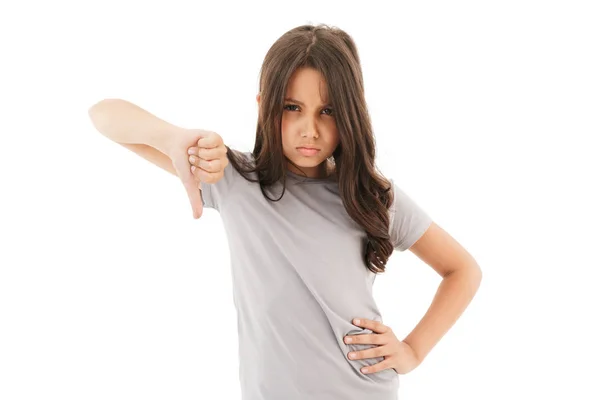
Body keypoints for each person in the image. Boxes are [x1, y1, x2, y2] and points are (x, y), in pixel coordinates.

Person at [88, 23, 482, 400]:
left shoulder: (372, 196)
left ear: (350, 115)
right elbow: (103, 114)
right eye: (292, 107)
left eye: (327, 111)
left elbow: (462, 270)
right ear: (264, 105)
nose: (309, 129)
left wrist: (412, 351)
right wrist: (175, 139)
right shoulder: (231, 178)